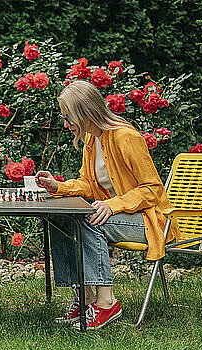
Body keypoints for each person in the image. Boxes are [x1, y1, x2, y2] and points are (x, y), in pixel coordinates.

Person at [35, 80, 179, 330]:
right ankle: (85, 299)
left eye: (68, 118)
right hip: (122, 214)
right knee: (61, 218)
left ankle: (106, 302)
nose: (65, 124)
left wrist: (114, 205)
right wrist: (57, 187)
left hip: (151, 221)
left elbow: (152, 189)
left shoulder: (126, 137)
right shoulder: (92, 140)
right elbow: (89, 184)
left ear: (85, 114)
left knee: (90, 221)